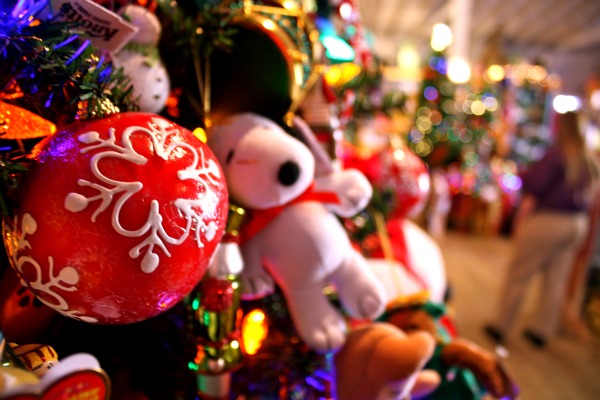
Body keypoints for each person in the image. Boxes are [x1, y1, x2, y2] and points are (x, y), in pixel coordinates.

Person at [484, 111, 600, 348]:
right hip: (578, 223)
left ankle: (501, 326)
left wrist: (522, 174)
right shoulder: (588, 158)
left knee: (521, 271)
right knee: (556, 277)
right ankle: (542, 331)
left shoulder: (558, 154)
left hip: (551, 219)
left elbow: (536, 184)